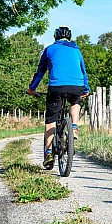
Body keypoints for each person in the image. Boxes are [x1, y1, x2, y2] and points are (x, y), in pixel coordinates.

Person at [27, 25, 90, 167]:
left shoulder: (49, 49)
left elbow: (40, 71)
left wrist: (32, 89)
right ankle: (74, 126)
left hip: (56, 87)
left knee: (51, 120)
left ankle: (48, 153)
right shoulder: (77, 50)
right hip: (76, 86)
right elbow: (83, 71)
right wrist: (86, 89)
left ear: (55, 37)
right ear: (69, 38)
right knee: (76, 101)